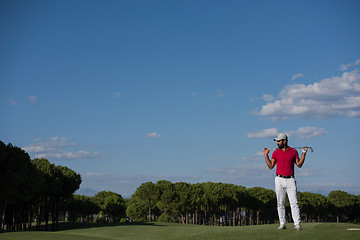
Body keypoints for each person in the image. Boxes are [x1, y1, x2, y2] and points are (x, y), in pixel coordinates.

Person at [262, 133, 308, 231]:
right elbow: (270, 166)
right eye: (277, 141)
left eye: (279, 141)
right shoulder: (275, 152)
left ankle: (297, 224)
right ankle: (282, 223)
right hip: (279, 179)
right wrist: (266, 155)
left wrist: (303, 153)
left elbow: (299, 164)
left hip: (290, 179)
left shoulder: (294, 151)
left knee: (294, 203)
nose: (277, 143)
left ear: (284, 141)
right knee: (280, 203)